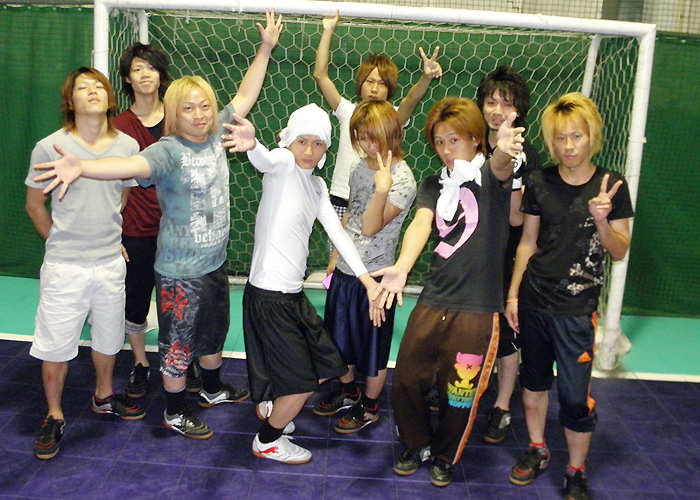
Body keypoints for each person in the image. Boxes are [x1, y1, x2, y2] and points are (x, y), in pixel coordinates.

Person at [33, 9, 284, 440]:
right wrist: (84, 167)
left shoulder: (217, 132)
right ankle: (174, 410)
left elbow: (246, 93)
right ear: (174, 114)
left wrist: (265, 49)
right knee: (178, 344)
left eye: (205, 106)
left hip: (214, 264)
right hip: (180, 273)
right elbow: (127, 166)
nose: (200, 114)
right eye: (189, 108)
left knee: (213, 335)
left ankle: (211, 389)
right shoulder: (166, 150)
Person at [372, 97, 525, 487]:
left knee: (460, 391)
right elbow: (421, 224)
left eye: (453, 140)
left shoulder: (491, 177)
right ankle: (415, 444)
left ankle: (444, 455)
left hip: (478, 308)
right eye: (439, 142)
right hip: (434, 298)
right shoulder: (433, 184)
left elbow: (500, 164)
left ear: (475, 139)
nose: (445, 149)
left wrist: (503, 148)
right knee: (407, 378)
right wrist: (402, 267)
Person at [222, 103, 383, 464]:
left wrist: (366, 280)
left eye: (318, 143)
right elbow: (267, 160)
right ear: (289, 141)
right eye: (302, 141)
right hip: (269, 296)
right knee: (301, 382)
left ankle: (272, 406)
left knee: (325, 358)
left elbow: (339, 235)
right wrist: (253, 146)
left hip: (291, 296)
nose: (309, 151)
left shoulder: (317, 185)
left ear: (327, 148)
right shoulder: (283, 167)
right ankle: (268, 439)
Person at [504, 92, 633, 500]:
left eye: (576, 136)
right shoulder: (539, 182)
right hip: (533, 301)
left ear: (592, 136)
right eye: (560, 138)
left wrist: (602, 220)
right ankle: (537, 448)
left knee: (576, 398)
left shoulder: (612, 186)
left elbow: (619, 251)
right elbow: (527, 243)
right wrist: (512, 296)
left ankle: (576, 470)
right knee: (534, 382)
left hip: (577, 310)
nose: (568, 146)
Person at [26, 67, 146, 460]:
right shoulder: (49, 147)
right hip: (65, 267)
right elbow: (35, 205)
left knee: (109, 339)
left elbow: (123, 196)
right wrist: (61, 243)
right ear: (70, 100)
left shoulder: (128, 145)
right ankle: (55, 414)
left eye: (99, 86)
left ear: (110, 98)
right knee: (56, 345)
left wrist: (107, 237)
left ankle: (103, 395)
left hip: (110, 264)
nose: (92, 91)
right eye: (83, 87)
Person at [318, 100, 416, 433]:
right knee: (338, 340)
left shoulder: (403, 180)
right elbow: (350, 214)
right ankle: (349, 392)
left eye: (375, 137)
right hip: (346, 271)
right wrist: (334, 257)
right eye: (362, 137)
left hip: (377, 277)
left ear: (393, 134)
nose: (369, 145)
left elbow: (372, 226)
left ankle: (370, 406)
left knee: (373, 348)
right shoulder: (358, 167)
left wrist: (382, 188)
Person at [114, 42, 205, 398]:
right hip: (137, 230)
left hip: (179, 232)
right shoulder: (119, 127)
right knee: (136, 299)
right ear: (127, 78)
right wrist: (114, 235)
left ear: (161, 74)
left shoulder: (180, 118)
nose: (144, 74)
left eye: (150, 67)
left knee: (182, 305)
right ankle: (140, 362)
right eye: (137, 68)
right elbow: (113, 187)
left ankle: (184, 358)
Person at [313, 11, 441, 226]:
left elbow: (411, 100)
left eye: (382, 83)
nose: (374, 89)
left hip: (376, 202)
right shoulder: (346, 111)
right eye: (369, 81)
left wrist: (426, 78)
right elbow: (320, 75)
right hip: (341, 199)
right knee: (337, 248)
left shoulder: (392, 117)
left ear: (390, 88)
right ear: (360, 83)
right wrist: (328, 31)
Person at [475, 65, 542, 443]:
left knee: (505, 331)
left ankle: (501, 405)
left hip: (506, 255)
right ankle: (463, 386)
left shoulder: (525, 153)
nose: (497, 110)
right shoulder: (470, 141)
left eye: (507, 103)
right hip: (471, 250)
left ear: (520, 110)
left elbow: (518, 218)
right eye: (491, 102)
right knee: (467, 321)